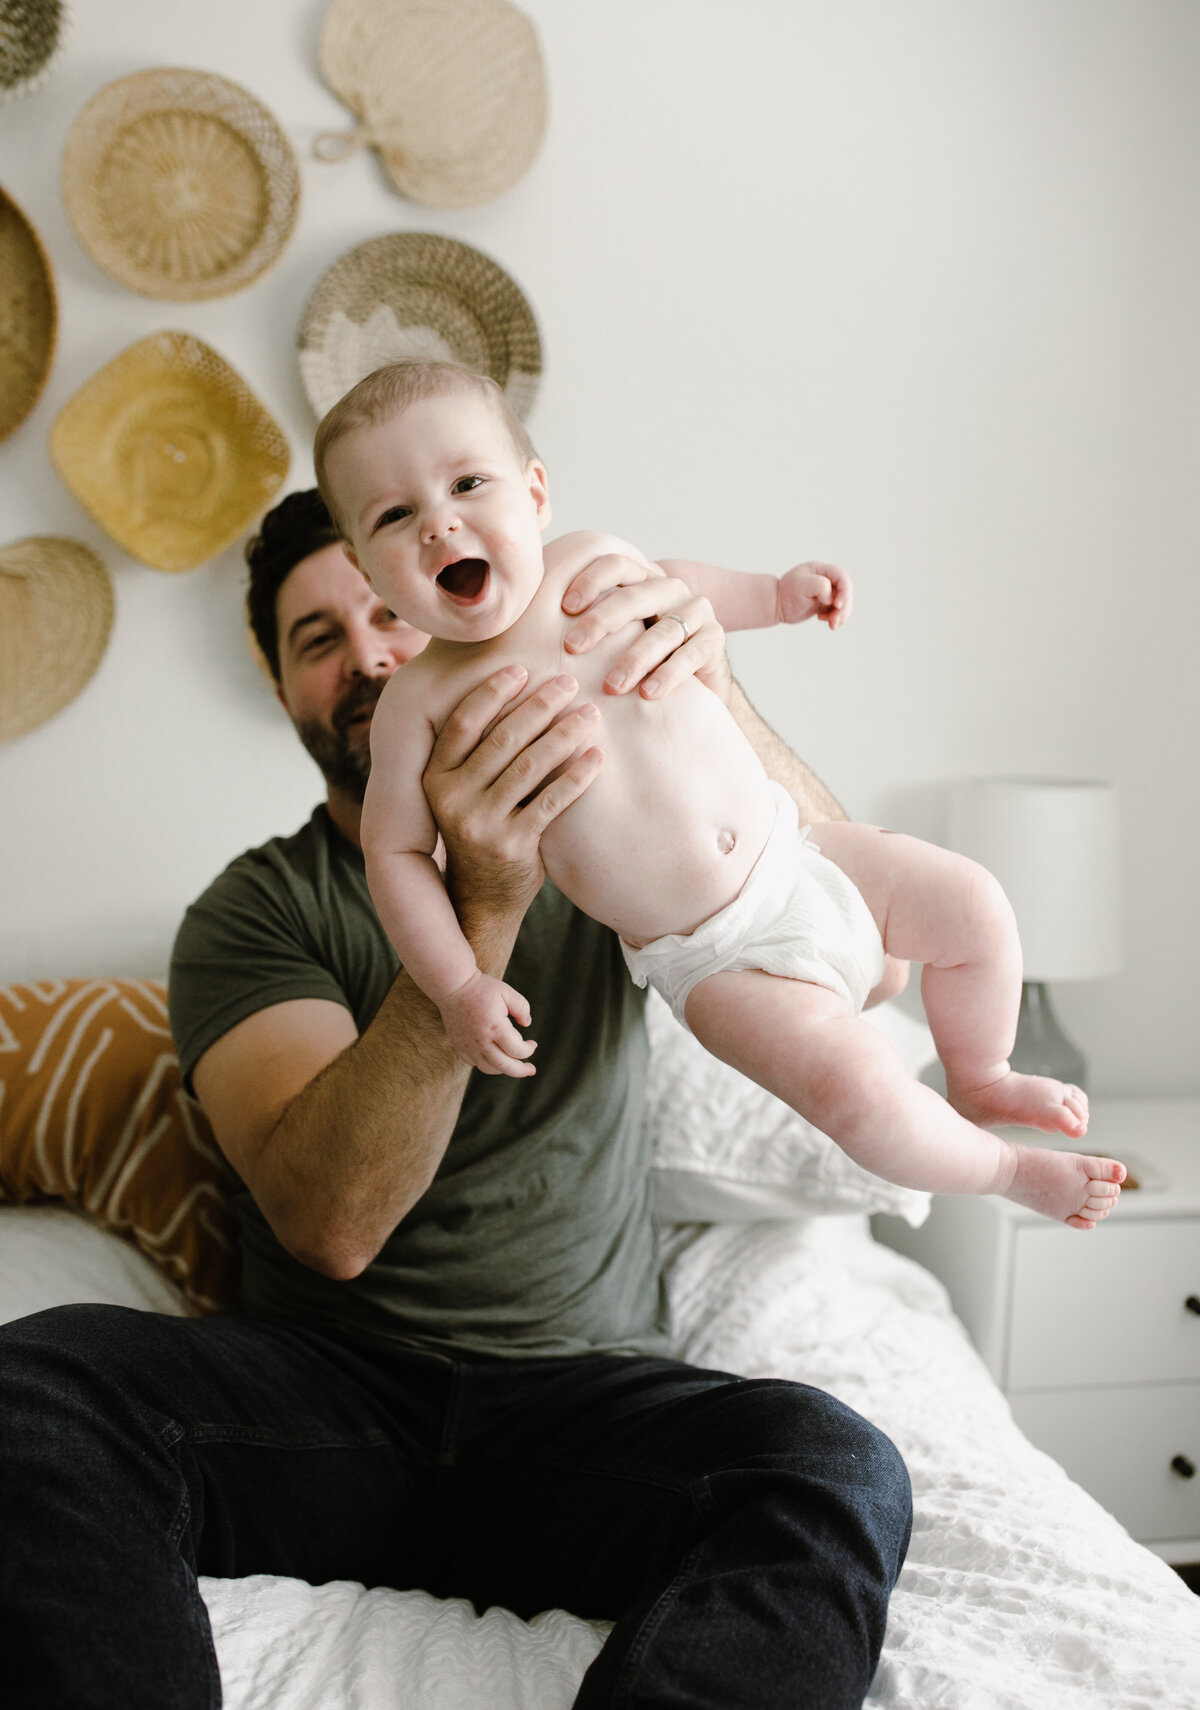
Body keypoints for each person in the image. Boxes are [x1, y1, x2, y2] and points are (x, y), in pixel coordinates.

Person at [0, 484, 913, 1709]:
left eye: (385, 613)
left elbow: (870, 964)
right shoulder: (254, 911)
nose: (368, 655)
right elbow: (334, 1224)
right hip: (323, 1403)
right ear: (281, 691)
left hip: (581, 1408)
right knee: (32, 1388)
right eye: (315, 641)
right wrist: (478, 907)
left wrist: (709, 686)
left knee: (833, 1465)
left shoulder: (620, 837)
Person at [316, 358, 1125, 1234]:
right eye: (397, 516)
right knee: (856, 1097)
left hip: (801, 853)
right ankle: (1007, 1169)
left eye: (468, 483)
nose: (441, 524)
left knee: (977, 905)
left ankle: (983, 1073)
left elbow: (686, 583)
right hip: (711, 959)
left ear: (535, 493)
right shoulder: (419, 703)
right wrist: (459, 987)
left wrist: (775, 597)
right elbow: (393, 853)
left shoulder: (593, 562)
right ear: (364, 565)